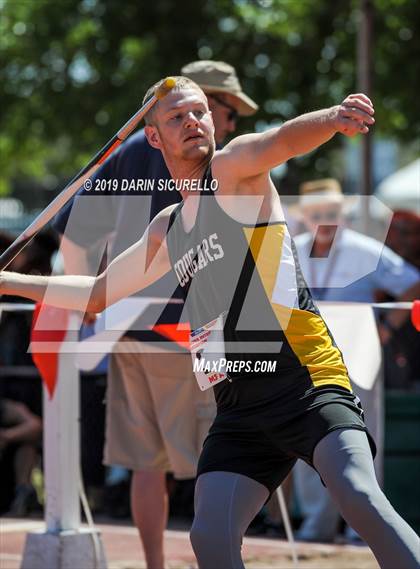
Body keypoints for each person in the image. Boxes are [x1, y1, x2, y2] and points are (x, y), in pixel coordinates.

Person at [1, 78, 419, 569]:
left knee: (358, 496)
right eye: (177, 117)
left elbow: (281, 140)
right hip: (239, 410)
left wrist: (331, 118)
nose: (194, 122)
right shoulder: (168, 227)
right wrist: (8, 282)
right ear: (153, 137)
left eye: (199, 111)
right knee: (211, 537)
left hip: (306, 384)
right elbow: (97, 294)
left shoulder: (232, 172)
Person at [52, 61, 258, 568]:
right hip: (195, 327)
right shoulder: (213, 160)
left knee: (148, 465)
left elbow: (72, 230)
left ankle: (156, 567)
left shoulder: (130, 151)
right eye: (226, 109)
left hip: (127, 325)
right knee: (231, 450)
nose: (227, 122)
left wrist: (93, 305)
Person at [292, 179, 420, 543]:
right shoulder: (290, 249)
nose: (325, 221)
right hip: (307, 356)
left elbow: (413, 286)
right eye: (317, 214)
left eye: (331, 213)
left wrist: (385, 331)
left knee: (364, 439)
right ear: (304, 216)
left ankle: (361, 528)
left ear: (342, 215)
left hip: (358, 352)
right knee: (305, 436)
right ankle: (316, 524)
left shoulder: (364, 250)